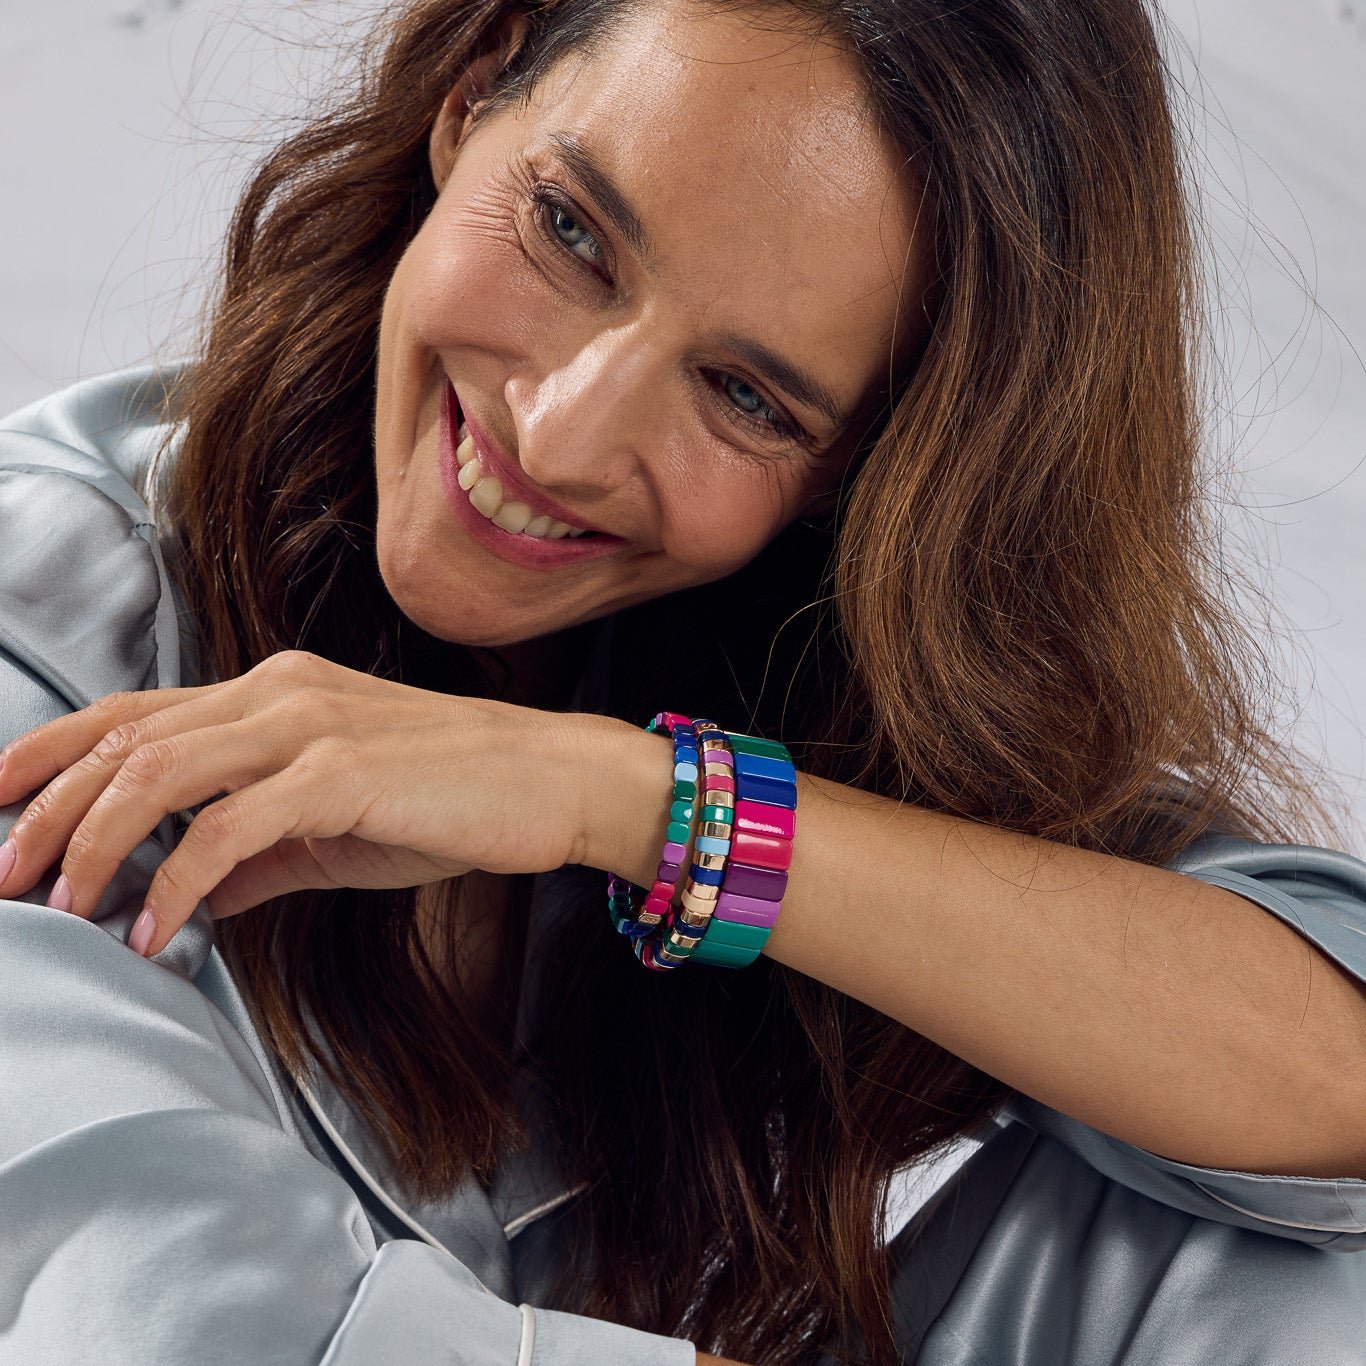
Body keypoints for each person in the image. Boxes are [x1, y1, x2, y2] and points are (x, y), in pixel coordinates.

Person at [1, 0, 1365, 1362]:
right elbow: (188, 1327)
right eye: (571, 232)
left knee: (1260, 1223)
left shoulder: (752, 658)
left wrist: (641, 803)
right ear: (474, 91)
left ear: (869, 479)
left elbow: (1330, 1070)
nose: (560, 433)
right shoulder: (37, 604)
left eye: (746, 397)